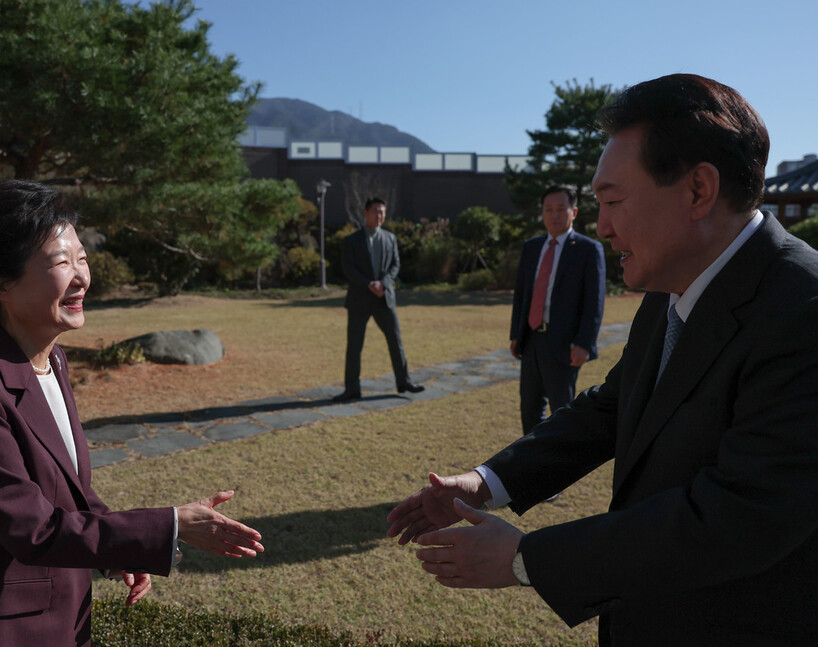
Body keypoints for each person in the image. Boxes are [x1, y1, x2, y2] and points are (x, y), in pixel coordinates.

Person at [386, 74, 818, 646]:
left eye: (613, 201)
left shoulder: (802, 308)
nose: (603, 227)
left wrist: (526, 559)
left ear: (698, 191)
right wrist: (485, 483)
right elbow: (613, 407)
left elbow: (741, 516)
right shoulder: (672, 288)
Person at [0, 180, 265, 647]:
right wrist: (171, 524)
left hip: (62, 622)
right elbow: (32, 528)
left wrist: (120, 549)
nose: (81, 277)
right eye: (61, 262)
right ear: (0, 284)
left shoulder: (52, 361)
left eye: (82, 258)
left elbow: (69, 493)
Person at [510, 185, 605, 434]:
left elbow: (594, 301)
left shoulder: (587, 249)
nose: (554, 215)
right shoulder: (532, 247)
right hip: (531, 339)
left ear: (573, 212)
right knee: (529, 409)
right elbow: (521, 295)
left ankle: (559, 465)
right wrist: (515, 334)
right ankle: (529, 464)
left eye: (560, 209)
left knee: (562, 412)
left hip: (564, 343)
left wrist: (584, 343)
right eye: (548, 209)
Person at [333, 197, 424, 401]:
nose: (380, 215)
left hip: (384, 298)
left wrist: (383, 283)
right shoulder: (351, 241)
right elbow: (348, 269)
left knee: (396, 341)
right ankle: (352, 389)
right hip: (359, 299)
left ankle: (404, 382)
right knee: (354, 346)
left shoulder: (390, 238)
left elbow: (395, 265)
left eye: (382, 212)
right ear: (365, 213)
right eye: (376, 211)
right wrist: (369, 284)